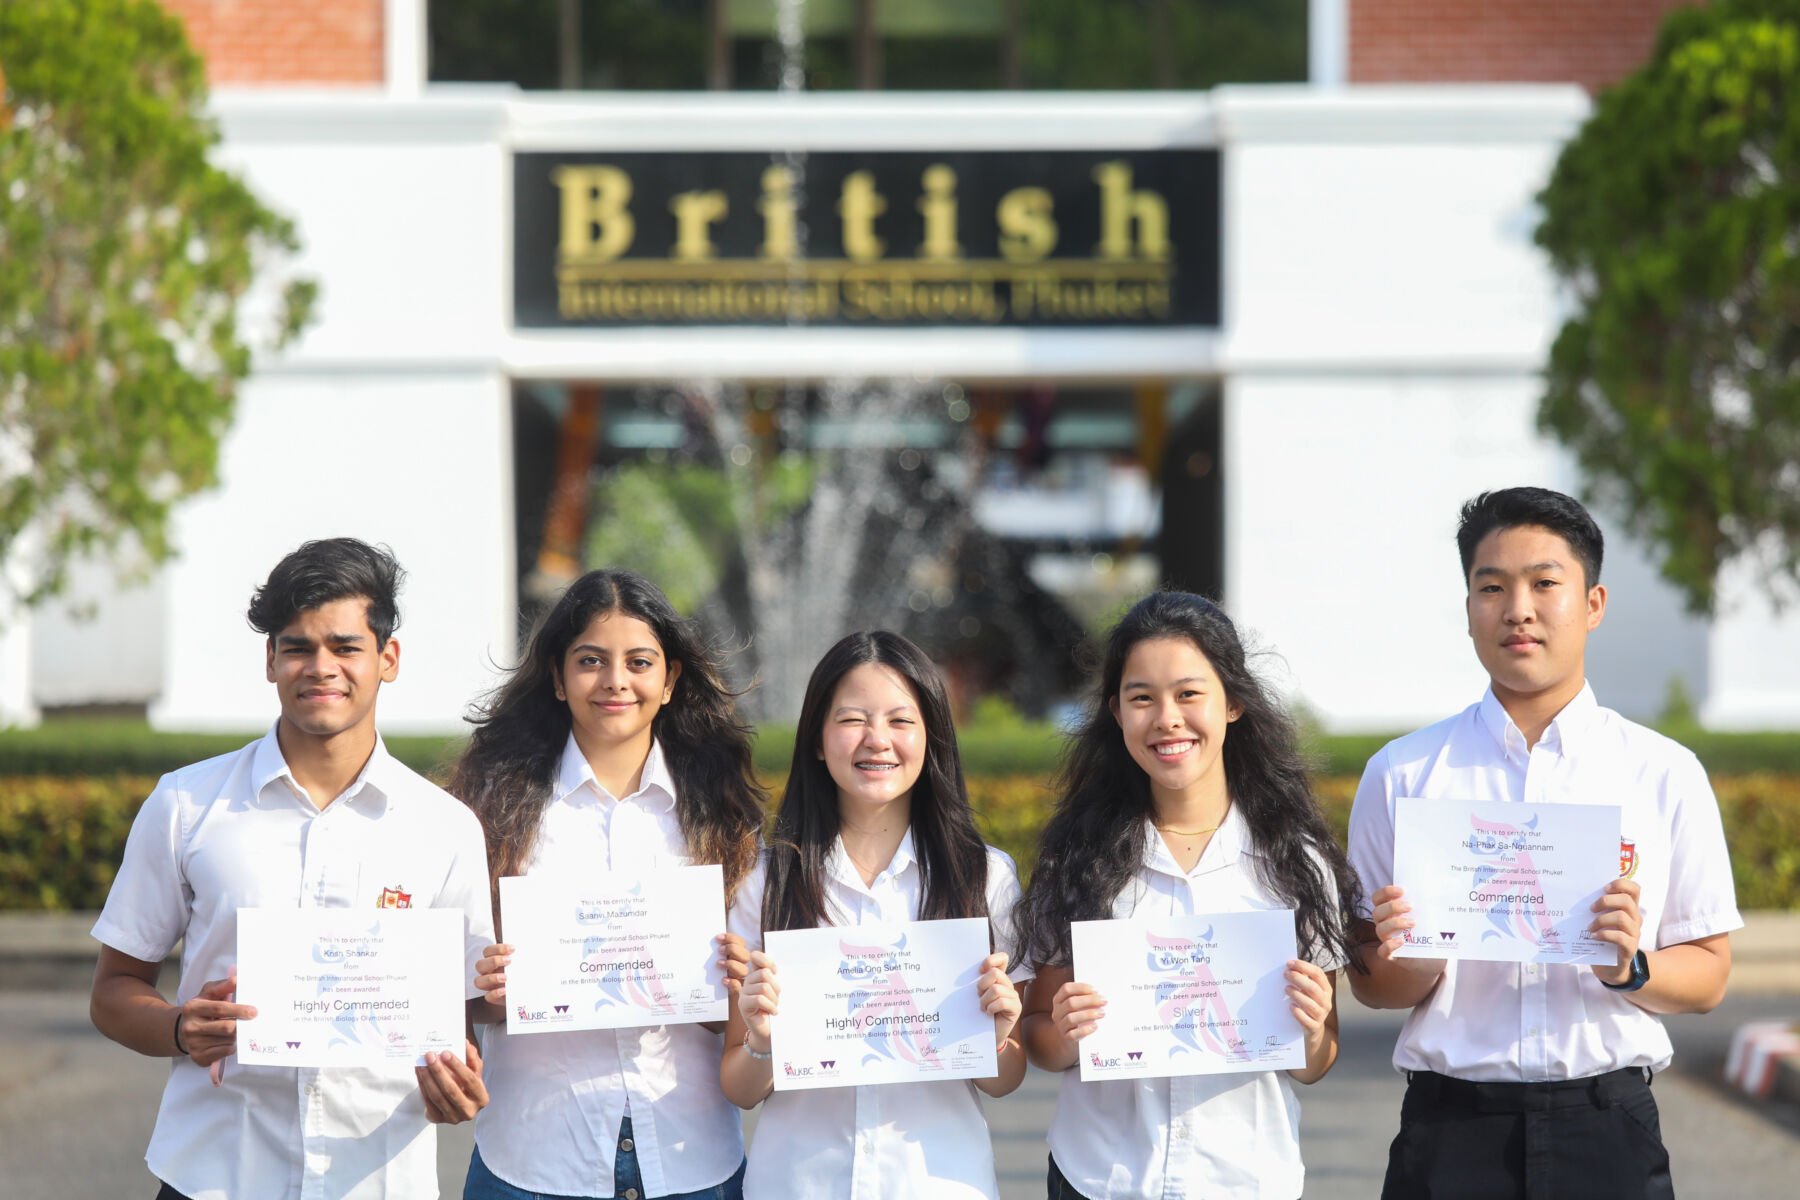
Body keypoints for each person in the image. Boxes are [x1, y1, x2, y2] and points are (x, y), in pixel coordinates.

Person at [1347, 486, 1741, 1199]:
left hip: (1607, 1127)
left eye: (1544, 584)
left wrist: (1630, 967)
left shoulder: (1662, 773)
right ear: (1469, 608)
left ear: (1592, 604)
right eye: (1491, 586)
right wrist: (1419, 959)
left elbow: (1710, 973)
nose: (1517, 609)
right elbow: (1371, 980)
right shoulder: (1403, 775)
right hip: (1451, 1130)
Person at [90, 538, 495, 1200]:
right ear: (271, 660)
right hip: (215, 1172)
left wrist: (459, 1082)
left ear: (387, 659)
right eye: (298, 647)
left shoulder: (444, 828)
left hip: (377, 1177)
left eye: (345, 647)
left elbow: (462, 1017)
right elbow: (113, 991)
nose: (321, 667)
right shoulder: (188, 804)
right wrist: (179, 1029)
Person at [1012, 590, 1358, 1199]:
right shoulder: (1079, 860)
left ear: (1233, 703)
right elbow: (1040, 1035)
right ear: (1116, 713)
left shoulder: (1294, 863)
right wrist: (1065, 1034)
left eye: (1189, 694)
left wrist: (1308, 1033)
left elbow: (1318, 1058)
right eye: (1141, 697)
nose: (1167, 718)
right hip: (1103, 1177)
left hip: (1246, 1179)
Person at [452, 568, 763, 1200]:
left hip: (690, 1157)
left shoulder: (723, 817)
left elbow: (738, 1022)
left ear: (670, 679)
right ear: (559, 679)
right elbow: (448, 993)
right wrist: (486, 991)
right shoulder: (487, 815)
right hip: (535, 1157)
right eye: (590, 660)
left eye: (639, 662)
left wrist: (734, 987)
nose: (616, 680)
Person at [721, 631, 1029, 1199]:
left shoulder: (985, 877)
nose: (876, 740)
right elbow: (740, 1088)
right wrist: (763, 1038)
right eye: (852, 720)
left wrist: (1000, 1036)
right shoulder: (765, 879)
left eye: (900, 721)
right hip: (798, 1182)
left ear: (932, 736)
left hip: (939, 1181)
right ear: (817, 738)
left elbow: (1003, 1081)